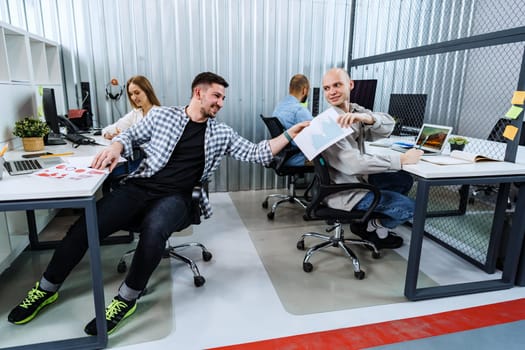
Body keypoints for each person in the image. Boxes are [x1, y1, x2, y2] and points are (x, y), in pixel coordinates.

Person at [8, 72, 310, 335]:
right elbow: (129, 135)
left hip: (178, 197)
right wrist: (115, 145)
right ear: (198, 93)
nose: (221, 102)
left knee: (155, 230)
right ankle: (46, 289)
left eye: (223, 98)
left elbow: (257, 153)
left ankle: (127, 299)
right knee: (86, 226)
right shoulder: (162, 116)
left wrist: (288, 134)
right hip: (140, 186)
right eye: (216, 96)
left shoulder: (222, 132)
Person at [320, 68, 423, 249]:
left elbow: (389, 124)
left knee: (402, 179)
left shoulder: (354, 111)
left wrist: (367, 118)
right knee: (413, 208)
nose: (332, 92)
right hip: (346, 192)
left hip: (357, 180)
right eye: (327, 88)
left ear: (350, 85)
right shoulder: (330, 124)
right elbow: (355, 165)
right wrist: (401, 160)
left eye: (337, 85)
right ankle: (375, 226)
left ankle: (365, 224)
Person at [102, 75, 161, 140]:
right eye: (131, 94)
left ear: (147, 91)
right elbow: (108, 129)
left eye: (137, 93)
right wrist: (107, 134)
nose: (133, 98)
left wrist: (126, 136)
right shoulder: (136, 113)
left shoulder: (160, 114)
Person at [272, 74, 313, 166]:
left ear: (290, 88)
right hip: (296, 158)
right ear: (305, 90)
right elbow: (314, 135)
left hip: (281, 156)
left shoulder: (279, 106)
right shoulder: (299, 110)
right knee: (329, 159)